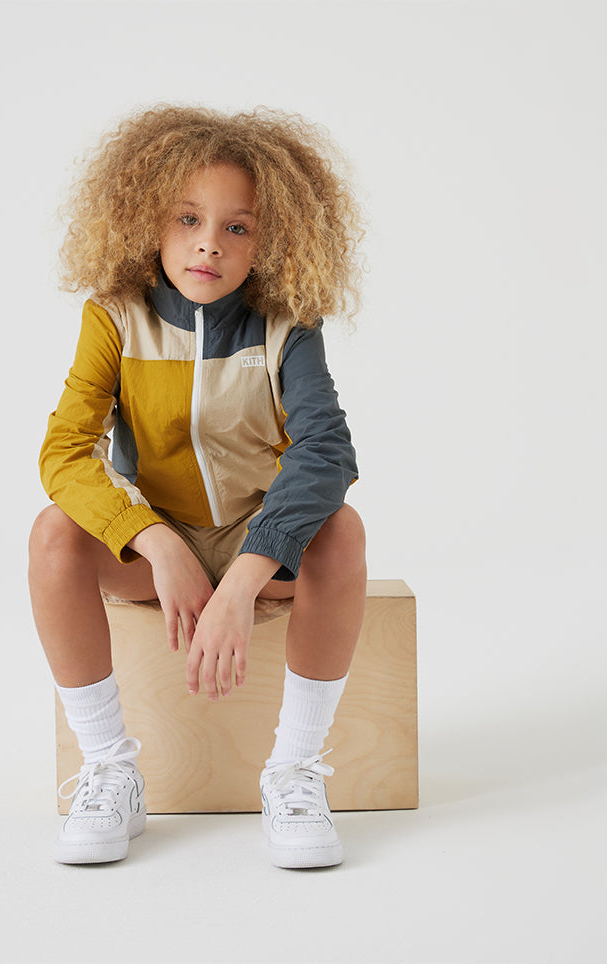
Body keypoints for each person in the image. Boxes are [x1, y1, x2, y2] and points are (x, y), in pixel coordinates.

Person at [28, 105, 367, 868]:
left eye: (237, 227)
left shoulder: (287, 326)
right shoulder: (114, 318)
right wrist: (155, 543)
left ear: (271, 241)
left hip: (262, 549)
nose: (209, 241)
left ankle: (294, 771)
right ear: (147, 219)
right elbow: (66, 452)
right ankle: (110, 767)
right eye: (188, 218)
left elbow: (325, 452)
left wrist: (245, 577)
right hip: (154, 551)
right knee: (52, 534)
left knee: (343, 532)